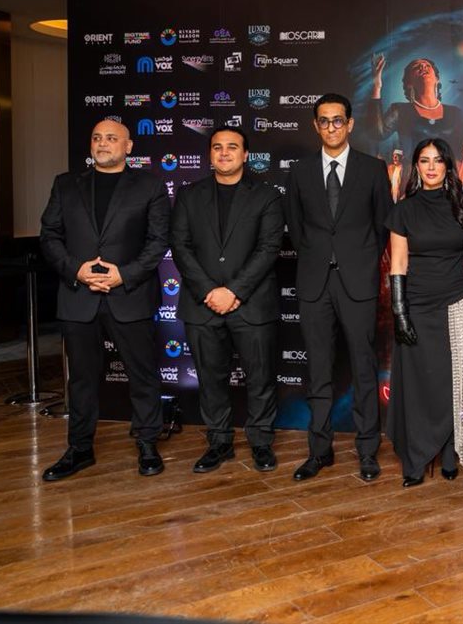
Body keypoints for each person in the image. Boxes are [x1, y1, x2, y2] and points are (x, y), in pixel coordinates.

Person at [39, 118, 170, 480]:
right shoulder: (65, 184)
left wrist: (123, 274)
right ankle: (79, 448)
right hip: (78, 295)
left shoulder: (150, 185)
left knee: (142, 375)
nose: (102, 143)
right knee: (81, 379)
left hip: (130, 295)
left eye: (112, 138)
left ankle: (147, 443)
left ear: (128, 147)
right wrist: (76, 270)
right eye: (97, 137)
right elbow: (49, 235)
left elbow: (158, 241)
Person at [286, 93, 392, 482]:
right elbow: (295, 227)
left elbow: (382, 226)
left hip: (358, 282)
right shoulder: (299, 171)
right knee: (318, 370)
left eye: (337, 120)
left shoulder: (372, 169)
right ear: (315, 126)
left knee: (364, 368)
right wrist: (321, 258)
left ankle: (367, 450)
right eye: (324, 120)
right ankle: (319, 451)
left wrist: (356, 261)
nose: (331, 127)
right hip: (314, 282)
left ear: (349, 124)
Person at [170, 126, 284, 474]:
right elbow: (180, 246)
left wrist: (233, 291)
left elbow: (269, 248)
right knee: (210, 379)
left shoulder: (266, 195)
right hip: (201, 305)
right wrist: (209, 291)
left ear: (245, 154)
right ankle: (218, 442)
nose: (223, 152)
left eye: (232, 147)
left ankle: (261, 441)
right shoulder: (189, 195)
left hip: (252, 304)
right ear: (209, 154)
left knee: (260, 378)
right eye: (217, 147)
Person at [386, 138, 463, 486]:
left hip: (457, 303)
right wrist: (400, 312)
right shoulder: (403, 210)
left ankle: (448, 453)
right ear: (416, 166)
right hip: (416, 306)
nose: (431, 167)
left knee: (452, 383)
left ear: (447, 166)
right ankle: (415, 459)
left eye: (437, 160)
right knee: (417, 385)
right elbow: (398, 263)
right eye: (424, 160)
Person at [368, 56, 463, 165]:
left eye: (427, 66)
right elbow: (377, 133)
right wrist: (377, 86)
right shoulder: (400, 110)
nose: (422, 67)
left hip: (448, 174)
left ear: (437, 78)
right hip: (412, 173)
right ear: (409, 83)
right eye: (416, 67)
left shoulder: (455, 113)